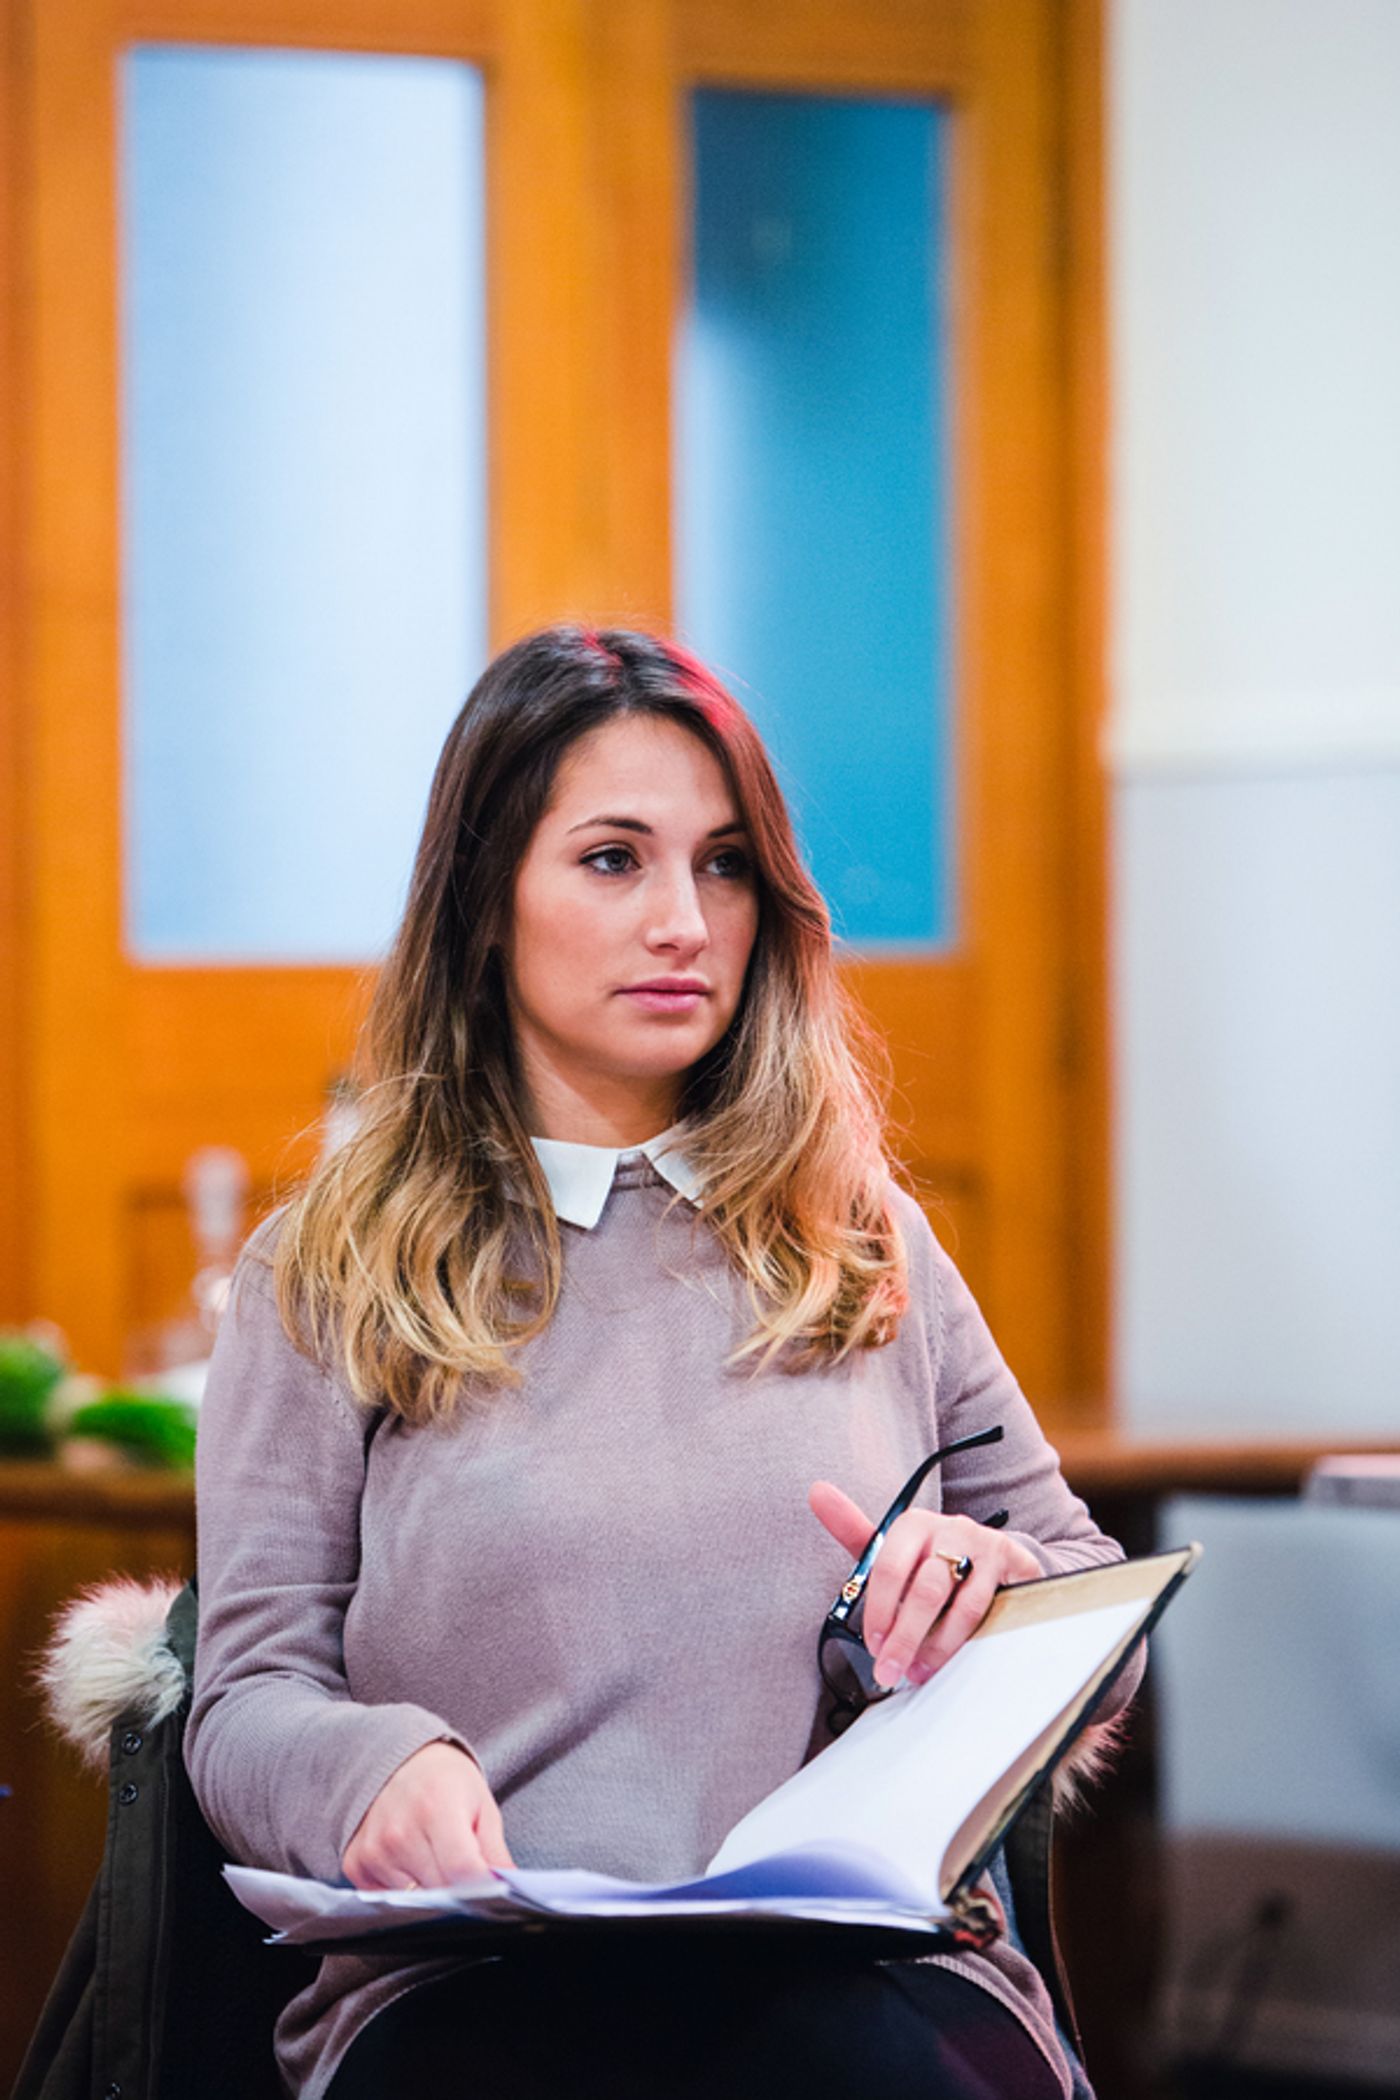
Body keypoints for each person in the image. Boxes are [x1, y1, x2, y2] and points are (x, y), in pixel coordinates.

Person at [186, 625, 1135, 2100]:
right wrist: (368, 1768)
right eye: (614, 859)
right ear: (484, 900)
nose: (685, 920)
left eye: (726, 863)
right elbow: (243, 1698)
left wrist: (1001, 1597)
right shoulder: (330, 1272)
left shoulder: (860, 1231)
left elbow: (1091, 1599)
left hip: (861, 1966)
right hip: (476, 1972)